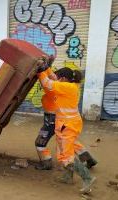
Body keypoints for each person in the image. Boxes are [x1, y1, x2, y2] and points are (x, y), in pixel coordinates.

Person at [37, 65, 96, 194]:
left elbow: (47, 83)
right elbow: (53, 78)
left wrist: (40, 71)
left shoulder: (66, 87)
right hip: (69, 123)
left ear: (63, 79)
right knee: (65, 150)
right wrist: (47, 68)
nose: (56, 79)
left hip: (67, 125)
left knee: (66, 155)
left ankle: (87, 178)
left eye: (59, 78)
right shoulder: (71, 85)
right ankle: (68, 177)